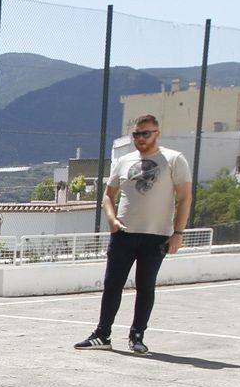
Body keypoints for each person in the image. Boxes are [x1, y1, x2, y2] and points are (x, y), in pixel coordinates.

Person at [76, 114, 193, 355]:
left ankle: (137, 336)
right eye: (137, 134)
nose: (140, 138)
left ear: (156, 134)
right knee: (112, 285)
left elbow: (185, 198)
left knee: (145, 286)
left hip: (156, 235)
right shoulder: (124, 161)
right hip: (124, 234)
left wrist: (178, 232)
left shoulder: (174, 159)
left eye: (145, 133)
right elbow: (108, 196)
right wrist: (112, 220)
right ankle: (102, 334)